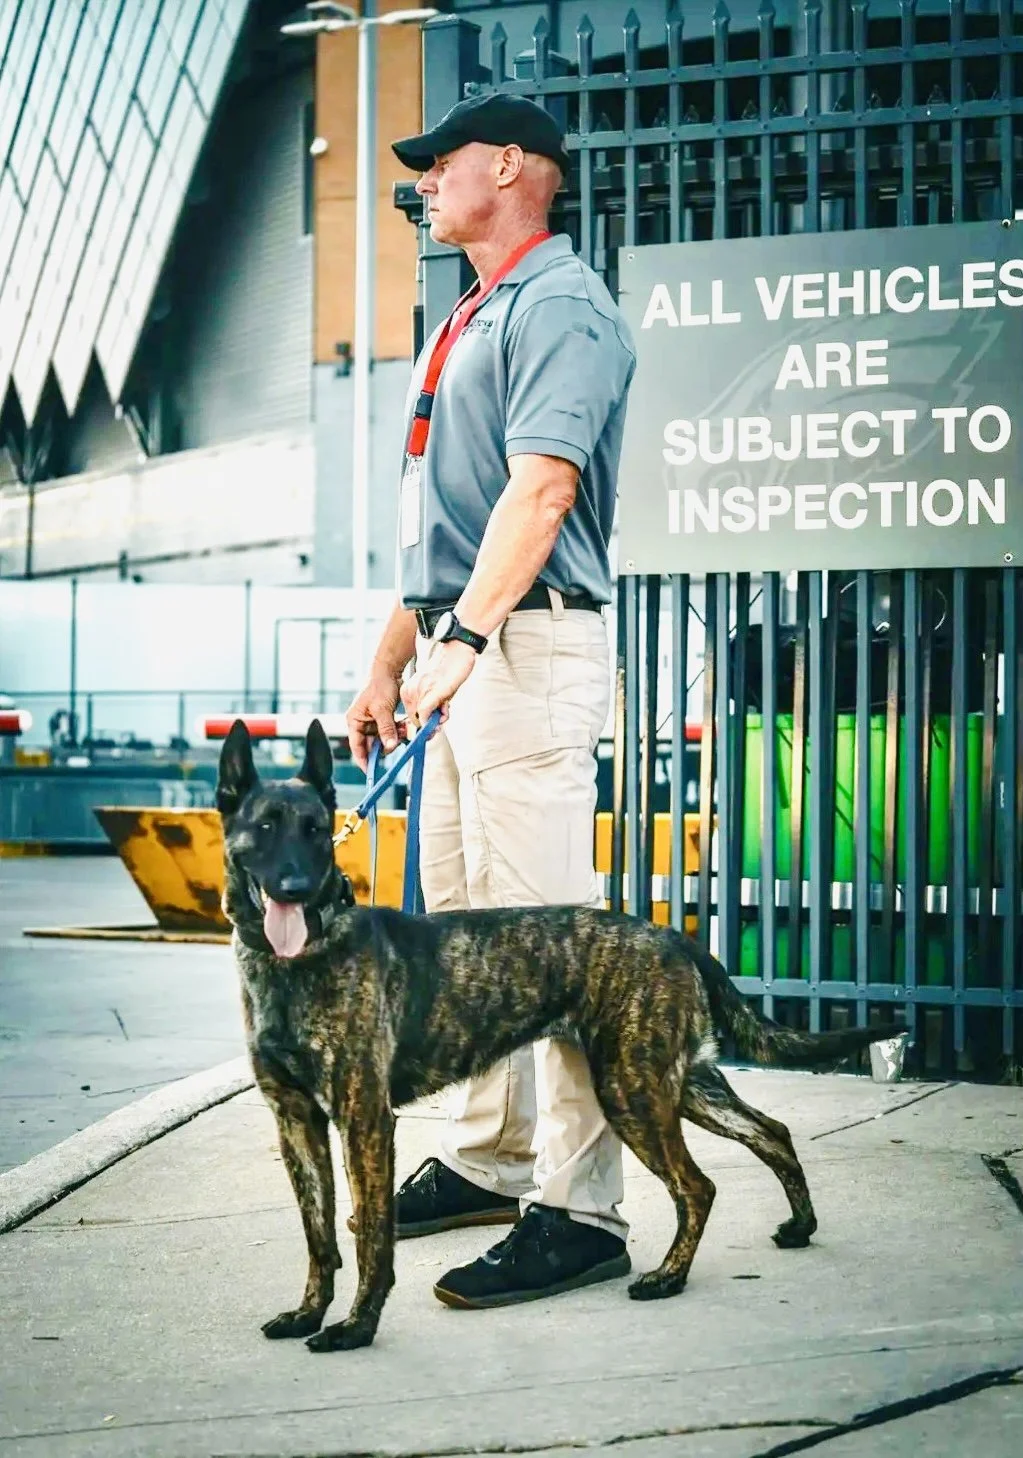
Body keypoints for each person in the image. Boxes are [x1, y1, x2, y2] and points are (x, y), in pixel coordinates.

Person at [345, 93, 637, 1310]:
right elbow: (448, 530)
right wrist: (390, 658)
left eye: (438, 164)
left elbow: (542, 492)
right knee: (466, 937)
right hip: (466, 657)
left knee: (550, 943)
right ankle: (489, 1154)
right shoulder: (470, 312)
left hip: (525, 651)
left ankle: (581, 1209)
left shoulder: (561, 306)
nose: (420, 184)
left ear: (511, 166)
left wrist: (464, 639)